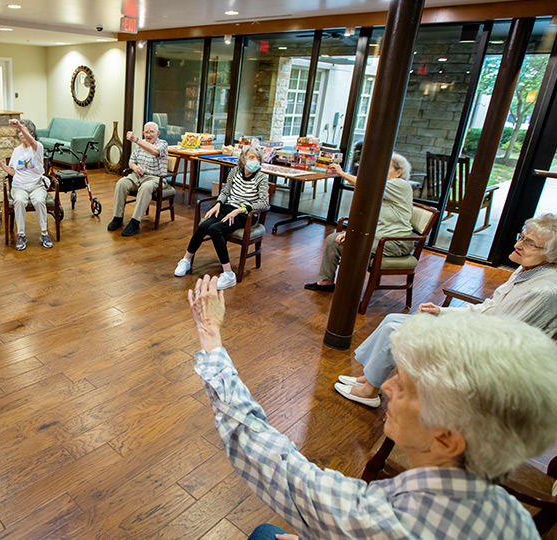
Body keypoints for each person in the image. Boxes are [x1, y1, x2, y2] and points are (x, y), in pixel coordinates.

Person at [188, 274, 557, 540]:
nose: (389, 386)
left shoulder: (379, 519)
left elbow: (266, 456)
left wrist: (210, 334)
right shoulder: (515, 519)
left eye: (407, 386)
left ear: (446, 439)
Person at [335, 212, 557, 408]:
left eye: (530, 243)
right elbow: (490, 307)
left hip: (487, 355)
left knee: (398, 330)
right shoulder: (526, 269)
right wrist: (443, 313)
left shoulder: (543, 290)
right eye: (522, 237)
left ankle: (369, 391)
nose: (518, 245)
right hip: (481, 333)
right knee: (394, 318)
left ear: (552, 255)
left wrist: (450, 329)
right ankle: (371, 378)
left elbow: (503, 336)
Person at [304, 153, 413, 292]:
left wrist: (341, 173)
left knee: (356, 245)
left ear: (399, 172)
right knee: (334, 239)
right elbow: (369, 218)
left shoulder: (400, 185)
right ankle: (326, 282)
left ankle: (351, 291)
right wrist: (350, 232)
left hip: (395, 241)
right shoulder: (383, 190)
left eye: (387, 167)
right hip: (378, 238)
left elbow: (366, 185)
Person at [174, 146, 269, 291]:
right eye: (251, 157)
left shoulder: (261, 178)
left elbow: (264, 202)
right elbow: (225, 191)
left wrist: (240, 210)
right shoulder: (235, 172)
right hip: (228, 208)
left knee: (215, 229)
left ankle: (228, 274)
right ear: (243, 160)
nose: (255, 161)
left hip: (245, 215)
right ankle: (186, 260)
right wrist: (218, 204)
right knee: (204, 225)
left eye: (258, 158)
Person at [0, 118, 53, 251]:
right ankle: (21, 235)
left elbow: (31, 141)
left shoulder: (37, 147)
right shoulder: (16, 151)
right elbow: (13, 171)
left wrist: (20, 126)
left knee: (38, 200)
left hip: (36, 185)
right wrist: (0, 164)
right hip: (19, 186)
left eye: (23, 131)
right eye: (19, 132)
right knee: (19, 201)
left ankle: (44, 233)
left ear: (31, 132)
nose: (20, 133)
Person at [107, 121, 169, 237]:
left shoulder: (163, 144)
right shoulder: (140, 145)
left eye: (152, 132)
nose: (149, 135)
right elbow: (131, 162)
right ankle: (117, 217)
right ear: (143, 133)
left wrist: (136, 139)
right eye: (146, 132)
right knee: (121, 183)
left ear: (158, 133)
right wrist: (135, 167)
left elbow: (155, 151)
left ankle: (135, 222)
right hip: (137, 176)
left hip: (155, 178)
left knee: (146, 187)